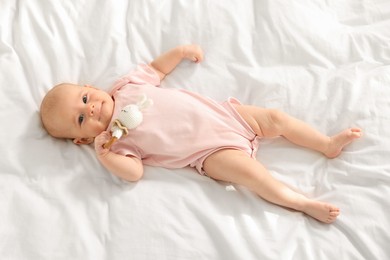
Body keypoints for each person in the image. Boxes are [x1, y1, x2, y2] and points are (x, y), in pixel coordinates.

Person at [40, 44, 362, 224]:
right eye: (81, 119)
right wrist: (106, 155)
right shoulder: (114, 141)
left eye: (85, 100)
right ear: (82, 139)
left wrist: (178, 53)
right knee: (255, 177)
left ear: (91, 88)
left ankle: (326, 143)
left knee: (275, 118)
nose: (92, 109)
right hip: (209, 154)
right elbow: (134, 172)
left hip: (226, 116)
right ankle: (303, 203)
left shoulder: (125, 86)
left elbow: (155, 70)